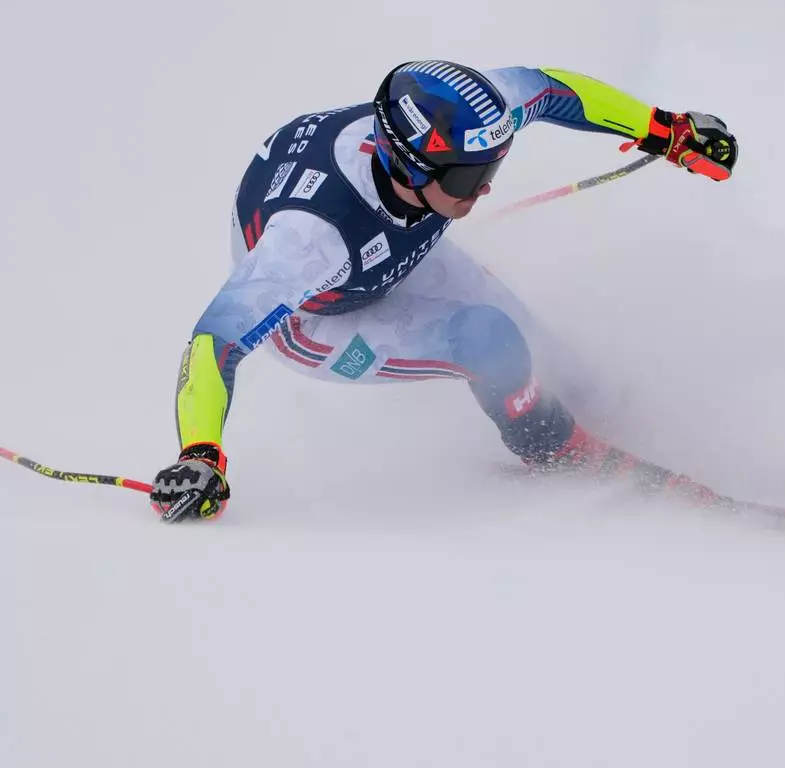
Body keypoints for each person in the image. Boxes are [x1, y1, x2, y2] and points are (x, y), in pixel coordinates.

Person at [149, 60, 738, 522]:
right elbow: (213, 340)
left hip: (394, 249)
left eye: (492, 168)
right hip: (316, 319)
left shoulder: (466, 119)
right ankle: (548, 443)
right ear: (407, 166)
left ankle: (594, 406)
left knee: (551, 354)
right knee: (489, 340)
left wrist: (667, 130)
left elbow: (553, 87)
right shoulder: (308, 241)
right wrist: (200, 455)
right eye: (467, 176)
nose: (482, 190)